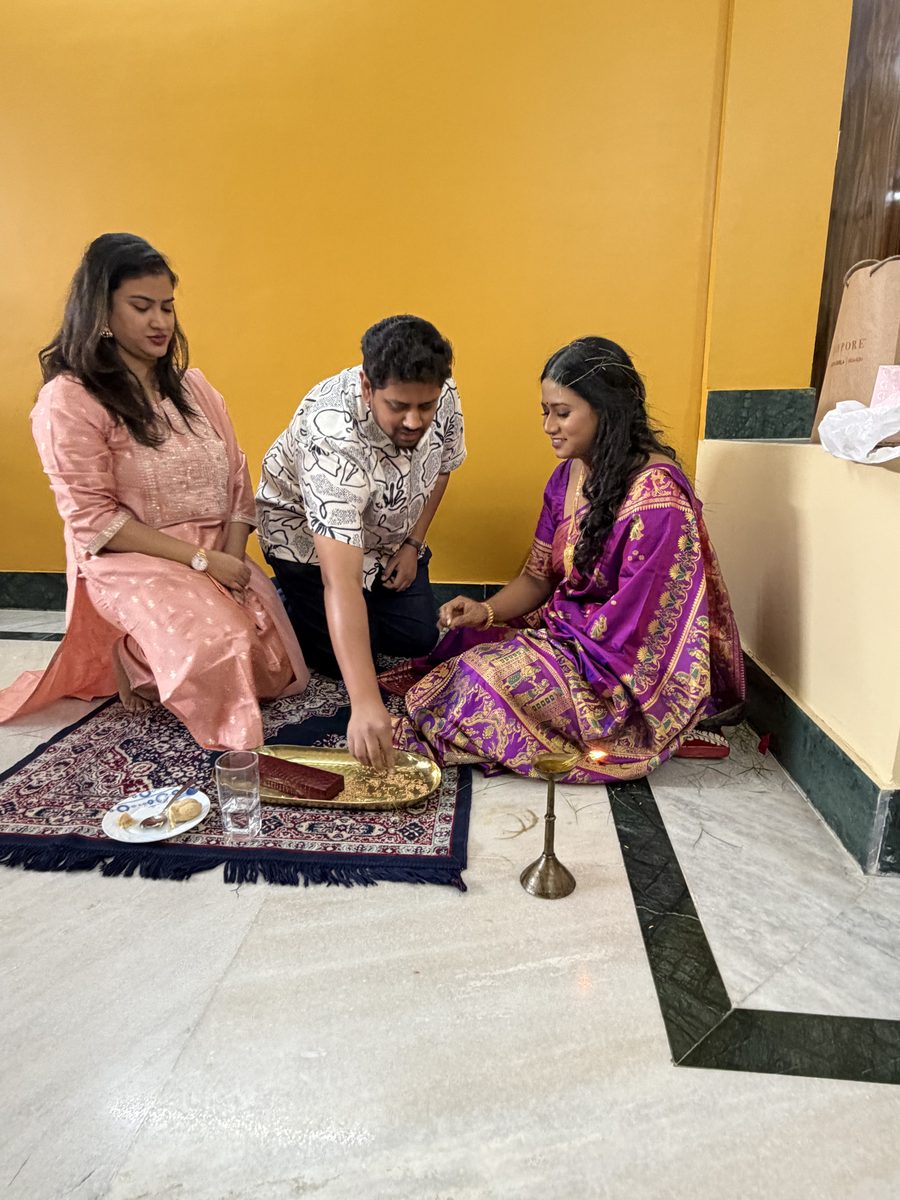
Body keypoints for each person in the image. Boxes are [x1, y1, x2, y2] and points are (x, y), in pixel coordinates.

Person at [388, 336, 744, 783]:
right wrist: (485, 611)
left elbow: (641, 633)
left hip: (618, 673)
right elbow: (538, 577)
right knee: (460, 648)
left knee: (481, 679)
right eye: (545, 412)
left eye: (562, 413)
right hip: (569, 635)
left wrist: (556, 648)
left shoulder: (657, 498)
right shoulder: (566, 477)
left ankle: (636, 734)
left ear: (605, 410)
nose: (548, 426)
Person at [0, 233, 308, 750]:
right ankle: (133, 653)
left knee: (274, 669)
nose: (160, 321)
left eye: (167, 307)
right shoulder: (69, 401)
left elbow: (237, 477)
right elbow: (94, 521)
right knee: (221, 645)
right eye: (141, 307)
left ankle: (151, 651)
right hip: (134, 557)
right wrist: (201, 563)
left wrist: (231, 559)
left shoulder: (194, 389)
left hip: (214, 550)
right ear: (101, 311)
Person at [256, 315, 465, 769]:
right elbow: (342, 582)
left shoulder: (440, 391)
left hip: (388, 536)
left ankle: (347, 612)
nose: (414, 420)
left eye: (425, 406)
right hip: (306, 543)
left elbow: (443, 466)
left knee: (418, 638)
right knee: (352, 663)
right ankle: (283, 601)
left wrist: (412, 544)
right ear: (368, 387)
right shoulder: (331, 433)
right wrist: (366, 703)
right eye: (399, 406)